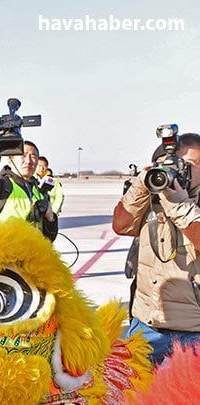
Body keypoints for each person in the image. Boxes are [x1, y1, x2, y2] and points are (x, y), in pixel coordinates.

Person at [113, 133, 200, 365]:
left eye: (187, 165)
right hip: (146, 325)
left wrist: (180, 204)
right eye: (168, 165)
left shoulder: (182, 202)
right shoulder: (150, 199)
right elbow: (120, 226)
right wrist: (140, 186)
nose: (177, 171)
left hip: (193, 332)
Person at [0, 140, 58, 241]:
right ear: (10, 160)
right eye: (23, 155)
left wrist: (51, 218)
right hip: (1, 253)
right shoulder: (1, 185)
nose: (28, 161)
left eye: (33, 156)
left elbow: (49, 238)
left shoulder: (39, 192)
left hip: (32, 253)